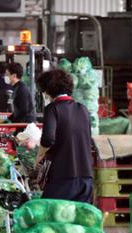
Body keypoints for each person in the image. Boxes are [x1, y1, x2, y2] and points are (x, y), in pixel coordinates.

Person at [35, 69, 93, 202]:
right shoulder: (82, 109)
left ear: (47, 90)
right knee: (78, 220)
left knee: (50, 216)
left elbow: (48, 139)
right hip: (86, 176)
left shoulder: (52, 108)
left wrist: (39, 156)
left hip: (63, 176)